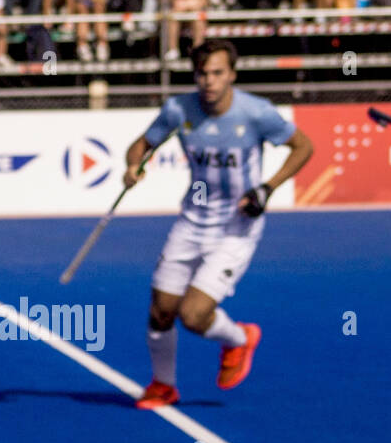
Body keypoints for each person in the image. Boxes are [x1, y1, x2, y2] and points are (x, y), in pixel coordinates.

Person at [123, 39, 314, 408]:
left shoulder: (256, 112)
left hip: (236, 228)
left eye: (217, 73)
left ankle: (239, 338)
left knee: (193, 316)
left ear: (232, 74)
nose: (209, 81)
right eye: (202, 73)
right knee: (161, 310)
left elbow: (304, 147)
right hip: (192, 221)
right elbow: (142, 144)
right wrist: (132, 167)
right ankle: (163, 385)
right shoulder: (178, 109)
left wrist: (267, 188)